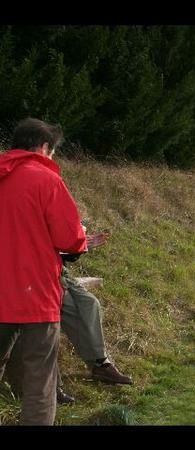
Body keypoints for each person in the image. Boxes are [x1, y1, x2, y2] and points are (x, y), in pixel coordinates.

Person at [0, 118, 87, 425]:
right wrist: (81, 239)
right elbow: (69, 239)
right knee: (40, 379)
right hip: (35, 293)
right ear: (44, 147)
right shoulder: (46, 180)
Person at [56, 230, 133, 403]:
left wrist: (80, 245)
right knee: (67, 312)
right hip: (41, 275)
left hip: (58, 270)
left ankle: (101, 363)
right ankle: (98, 365)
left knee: (91, 304)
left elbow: (57, 247)